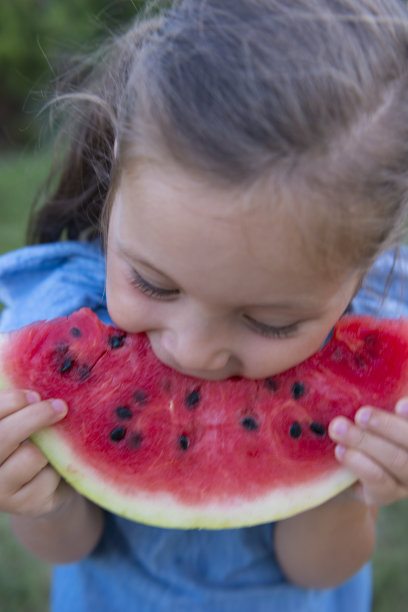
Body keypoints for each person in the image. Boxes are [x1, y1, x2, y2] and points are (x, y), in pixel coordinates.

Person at [1, 0, 408, 609]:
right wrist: (41, 498)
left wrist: (355, 487)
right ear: (113, 192)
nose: (193, 349)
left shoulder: (370, 365)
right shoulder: (55, 318)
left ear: (362, 275)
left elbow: (317, 571)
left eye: (270, 323)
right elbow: (68, 548)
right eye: (153, 284)